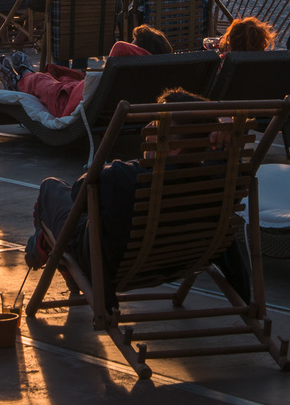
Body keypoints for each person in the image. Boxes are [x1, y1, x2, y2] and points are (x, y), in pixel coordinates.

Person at [24, 87, 252, 303]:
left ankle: (43, 245)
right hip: (182, 261)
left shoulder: (124, 178)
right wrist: (224, 123)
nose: (149, 127)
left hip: (108, 264)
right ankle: (46, 245)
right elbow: (226, 154)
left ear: (173, 148)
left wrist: (131, 165)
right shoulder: (221, 183)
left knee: (51, 189)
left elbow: (80, 195)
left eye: (157, 124)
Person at [0, 25, 172, 118]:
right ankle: (26, 74)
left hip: (69, 104)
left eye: (133, 43)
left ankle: (22, 78)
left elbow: (119, 47)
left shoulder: (135, 65)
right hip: (84, 92)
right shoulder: (154, 76)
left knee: (42, 81)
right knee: (61, 76)